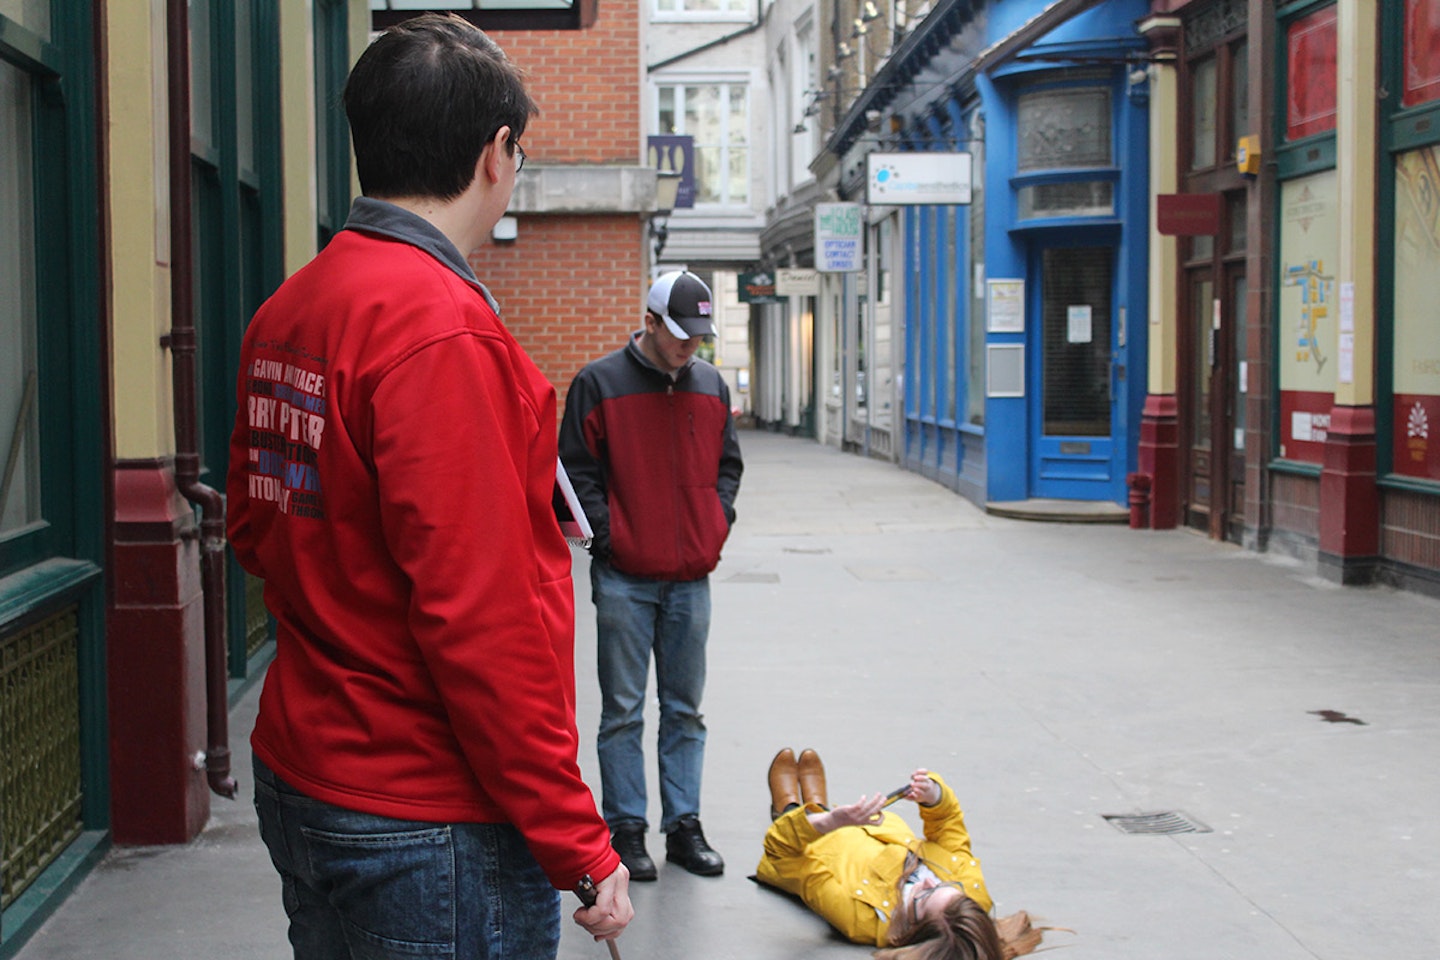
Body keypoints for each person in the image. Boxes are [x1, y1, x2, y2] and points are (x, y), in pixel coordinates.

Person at [225, 14, 631, 959]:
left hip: (309, 772)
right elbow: (485, 618)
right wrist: (577, 838)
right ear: (497, 154)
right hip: (429, 815)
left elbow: (255, 525)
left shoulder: (294, 305)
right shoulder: (442, 331)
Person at [558, 271, 744, 880]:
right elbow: (575, 474)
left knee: (686, 708)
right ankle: (627, 830)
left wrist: (715, 525)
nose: (691, 345)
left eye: (699, 334)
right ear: (652, 320)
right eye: (681, 333)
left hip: (692, 575)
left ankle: (684, 828)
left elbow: (728, 467)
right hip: (625, 579)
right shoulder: (598, 383)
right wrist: (609, 541)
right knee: (623, 710)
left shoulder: (711, 386)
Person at [756, 749, 1048, 959]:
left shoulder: (862, 920)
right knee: (829, 809)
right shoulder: (972, 894)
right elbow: (950, 830)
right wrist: (934, 797)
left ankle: (791, 808)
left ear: (912, 931)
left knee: (797, 825)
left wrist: (831, 823)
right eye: (946, 886)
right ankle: (819, 803)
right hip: (875, 831)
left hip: (817, 849)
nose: (928, 881)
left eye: (921, 899)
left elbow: (787, 857)